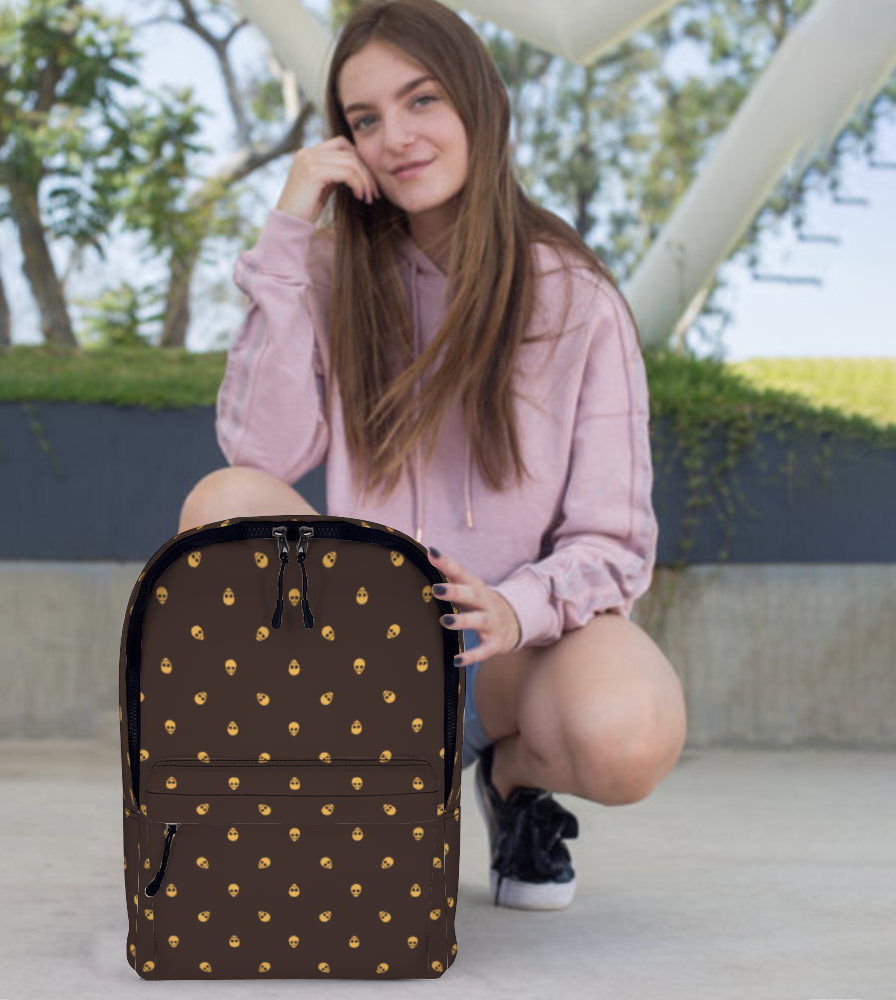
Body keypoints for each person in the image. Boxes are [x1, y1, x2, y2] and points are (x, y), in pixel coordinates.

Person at [179, 0, 687, 911]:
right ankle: (350, 796)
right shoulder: (330, 273)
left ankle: (510, 784)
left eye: (421, 101)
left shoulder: (575, 297)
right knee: (224, 499)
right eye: (364, 119)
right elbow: (261, 449)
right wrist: (291, 228)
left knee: (628, 731)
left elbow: (614, 542)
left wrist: (513, 606)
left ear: (480, 103)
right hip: (358, 647)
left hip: (507, 652)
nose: (395, 138)